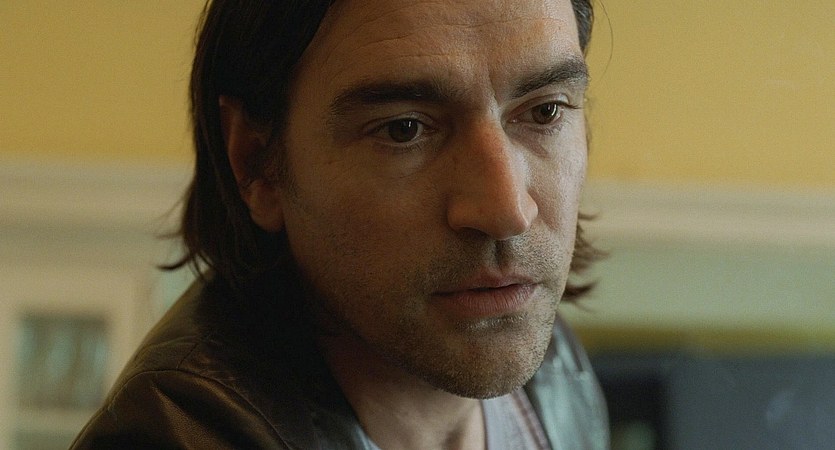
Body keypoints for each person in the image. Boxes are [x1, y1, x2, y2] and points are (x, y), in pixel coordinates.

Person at [72, 0, 608, 448]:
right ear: (257, 164)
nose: (508, 211)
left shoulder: (553, 370)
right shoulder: (180, 433)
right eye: (403, 129)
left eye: (545, 111)